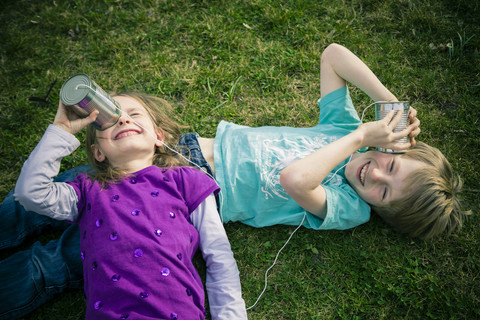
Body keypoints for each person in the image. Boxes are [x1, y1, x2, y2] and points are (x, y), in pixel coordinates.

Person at [0, 43, 469, 319]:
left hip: (183, 196)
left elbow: (295, 178)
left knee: (67, 256)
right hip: (161, 152)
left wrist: (365, 137)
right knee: (40, 199)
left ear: (380, 209)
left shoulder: (350, 207)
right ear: (394, 149)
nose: (376, 175)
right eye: (390, 165)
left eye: (384, 192)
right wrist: (390, 106)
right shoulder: (345, 130)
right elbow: (333, 56)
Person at [11, 92, 248, 319]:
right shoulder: (86, 190)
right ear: (98, 152)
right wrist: (61, 131)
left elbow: (219, 255)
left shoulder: (188, 180)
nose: (123, 119)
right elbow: (30, 193)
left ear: (158, 136)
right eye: (108, 119)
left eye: (134, 114)